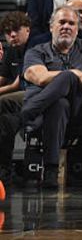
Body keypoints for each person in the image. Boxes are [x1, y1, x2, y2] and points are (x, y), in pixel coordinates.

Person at [21, 5, 82, 189]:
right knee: (59, 103)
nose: (66, 27)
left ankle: (28, 112)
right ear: (51, 26)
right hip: (47, 115)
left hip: (78, 113)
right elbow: (40, 78)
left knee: (68, 81)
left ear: (77, 29)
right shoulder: (37, 51)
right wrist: (71, 74)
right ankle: (51, 170)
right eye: (62, 22)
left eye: (71, 23)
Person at [0, 12, 31, 185]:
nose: (12, 35)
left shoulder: (34, 48)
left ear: (27, 30)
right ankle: (4, 169)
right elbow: (3, 78)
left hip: (32, 96)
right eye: (7, 32)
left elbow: (16, 85)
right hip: (14, 104)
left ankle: (4, 169)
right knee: (5, 122)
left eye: (16, 30)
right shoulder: (11, 51)